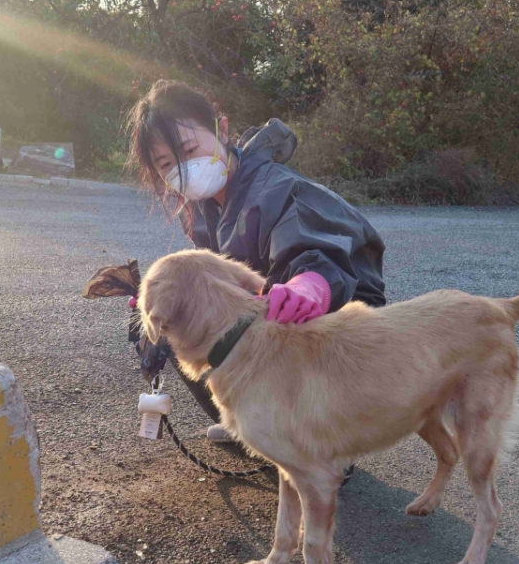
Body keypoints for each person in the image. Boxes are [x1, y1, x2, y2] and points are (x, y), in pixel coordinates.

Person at [125, 79, 387, 442]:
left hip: (336, 317)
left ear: (222, 129)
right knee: (167, 324)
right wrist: (163, 297)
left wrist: (308, 288)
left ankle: (322, 440)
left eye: (190, 150)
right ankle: (253, 419)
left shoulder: (278, 188)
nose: (184, 169)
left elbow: (317, 255)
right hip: (270, 315)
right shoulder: (201, 207)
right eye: (168, 163)